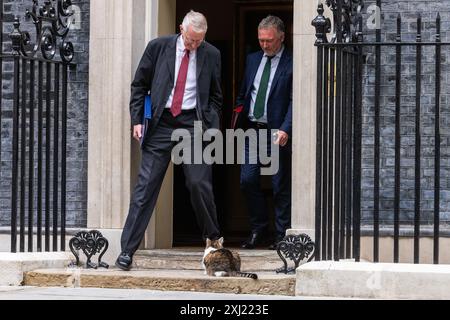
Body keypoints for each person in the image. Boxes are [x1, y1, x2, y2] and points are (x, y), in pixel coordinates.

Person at [115, 10, 222, 270]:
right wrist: (138, 120)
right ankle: (127, 251)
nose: (194, 45)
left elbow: (216, 96)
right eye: (190, 40)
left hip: (192, 124)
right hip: (162, 123)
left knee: (198, 183)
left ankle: (214, 237)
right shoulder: (158, 47)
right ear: (181, 29)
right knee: (145, 189)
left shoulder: (211, 54)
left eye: (199, 41)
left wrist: (210, 125)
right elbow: (139, 85)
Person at [235, 15, 292, 250]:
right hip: (252, 132)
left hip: (276, 133)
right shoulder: (252, 59)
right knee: (247, 180)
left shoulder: (293, 62)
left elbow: (294, 100)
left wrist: (286, 129)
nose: (265, 45)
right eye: (261, 40)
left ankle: (281, 235)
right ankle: (259, 230)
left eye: (269, 41)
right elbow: (244, 92)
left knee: (280, 186)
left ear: (281, 37)